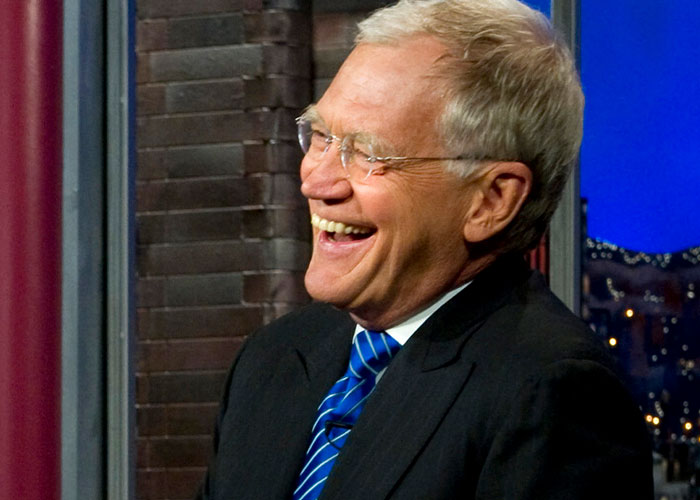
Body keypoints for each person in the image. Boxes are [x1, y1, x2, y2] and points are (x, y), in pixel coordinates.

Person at [196, 0, 653, 498]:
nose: (316, 180)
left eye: (369, 153)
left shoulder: (552, 395)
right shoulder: (273, 357)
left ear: (491, 200)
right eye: (322, 136)